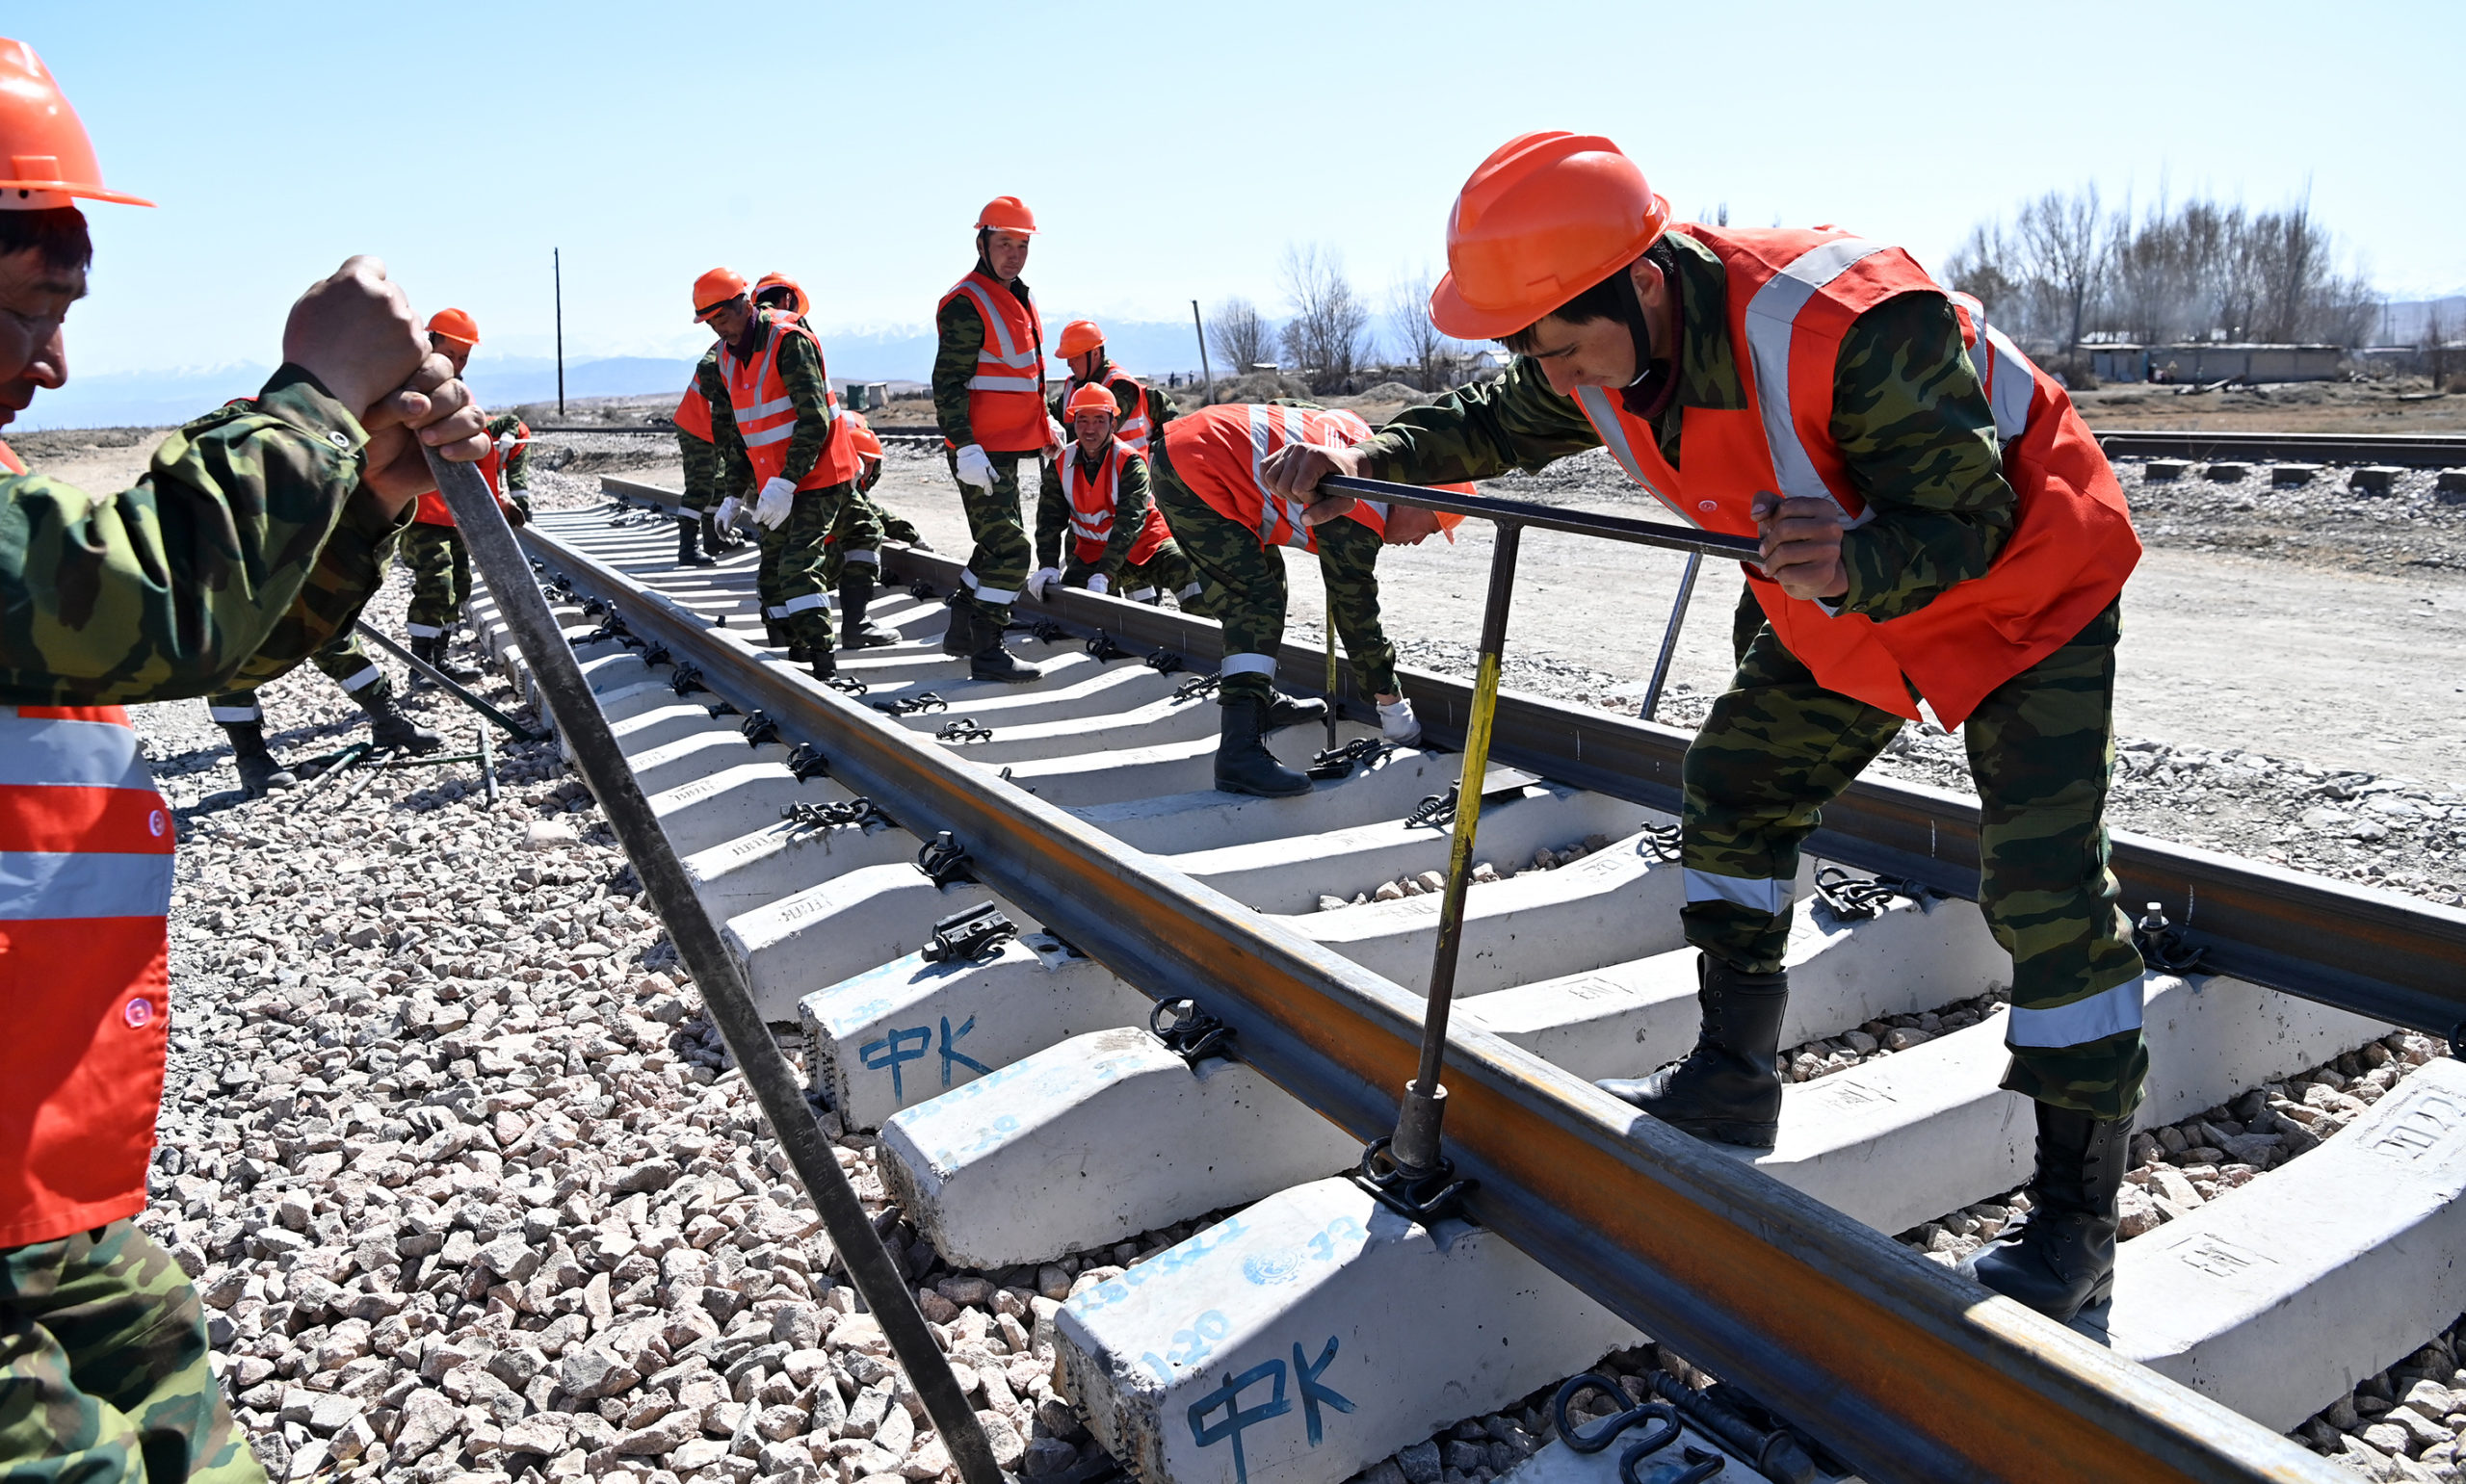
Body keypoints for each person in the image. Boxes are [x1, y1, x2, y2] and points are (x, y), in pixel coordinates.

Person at [1264, 132, 2146, 1322]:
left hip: (2026, 587)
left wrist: (1855, 556)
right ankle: (1733, 1077)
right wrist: (1368, 459)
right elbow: (1492, 420)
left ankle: (2073, 1223)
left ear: (1641, 282)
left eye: (1565, 346)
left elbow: (1969, 517)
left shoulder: (1846, 321)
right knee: (1733, 788)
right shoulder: (1592, 350)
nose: (1559, 375)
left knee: (2041, 885)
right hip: (1839, 594)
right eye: (1538, 350)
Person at [0, 39, 488, 1482]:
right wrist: (318, 394)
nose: (57, 360)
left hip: (36, 1201)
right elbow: (146, 597)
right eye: (30, 303)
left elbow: (191, 644)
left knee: (181, 1406)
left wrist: (361, 495)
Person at [1153, 403, 1458, 797]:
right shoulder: (1361, 505)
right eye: (1430, 529)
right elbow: (1356, 611)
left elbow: (1292, 414)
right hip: (1195, 467)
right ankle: (1238, 755)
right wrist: (1393, 708)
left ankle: (1258, 697)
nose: (1418, 540)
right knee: (1253, 604)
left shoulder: (1358, 447)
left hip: (1198, 449)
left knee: (1267, 585)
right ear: (1411, 496)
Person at [692, 268, 879, 676]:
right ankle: (797, 652)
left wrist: (786, 482)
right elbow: (741, 435)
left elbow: (814, 422)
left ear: (745, 304)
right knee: (776, 566)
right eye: (711, 324)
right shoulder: (725, 358)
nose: (719, 331)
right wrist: (732, 495)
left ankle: (823, 664)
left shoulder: (788, 341)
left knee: (798, 563)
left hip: (821, 472)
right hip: (776, 479)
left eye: (723, 318)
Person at [932, 196, 1058, 682]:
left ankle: (962, 631)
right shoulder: (969, 301)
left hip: (1007, 447)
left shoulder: (1017, 297)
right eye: (1004, 242)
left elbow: (1021, 378)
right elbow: (948, 383)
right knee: (1011, 550)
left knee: (992, 545)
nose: (1014, 253)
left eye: (1022, 244)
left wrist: (1045, 428)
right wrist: (964, 446)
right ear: (982, 242)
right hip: (979, 452)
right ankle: (988, 651)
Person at [400, 308, 527, 682]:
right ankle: (422, 667)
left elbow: (479, 459)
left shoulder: (459, 395)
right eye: (450, 354)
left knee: (458, 585)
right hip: (419, 513)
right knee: (435, 583)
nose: (456, 363)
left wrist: (498, 500)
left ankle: (439, 659)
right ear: (430, 342)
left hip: (452, 514)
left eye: (463, 357)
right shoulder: (411, 391)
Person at [1031, 382, 1204, 609]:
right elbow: (1048, 518)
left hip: (1146, 547)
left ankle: (1199, 637)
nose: (1090, 429)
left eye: (1099, 420)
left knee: (1190, 575)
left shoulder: (1129, 461)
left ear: (1113, 424)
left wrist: (1104, 573)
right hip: (1093, 552)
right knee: (1070, 606)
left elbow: (1130, 520)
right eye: (1083, 420)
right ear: (1074, 422)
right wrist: (1048, 565)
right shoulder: (1062, 461)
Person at [1049, 318, 1173, 458]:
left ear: (1095, 354)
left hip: (1126, 471)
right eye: (1067, 358)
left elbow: (1096, 433)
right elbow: (1051, 413)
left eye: (1075, 358)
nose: (1069, 364)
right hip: (1091, 471)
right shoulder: (1073, 385)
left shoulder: (1121, 385)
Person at [671, 348, 728, 566]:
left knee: (721, 482)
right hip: (695, 426)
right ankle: (687, 549)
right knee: (701, 488)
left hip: (714, 430)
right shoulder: (730, 342)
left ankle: (713, 538)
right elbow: (707, 368)